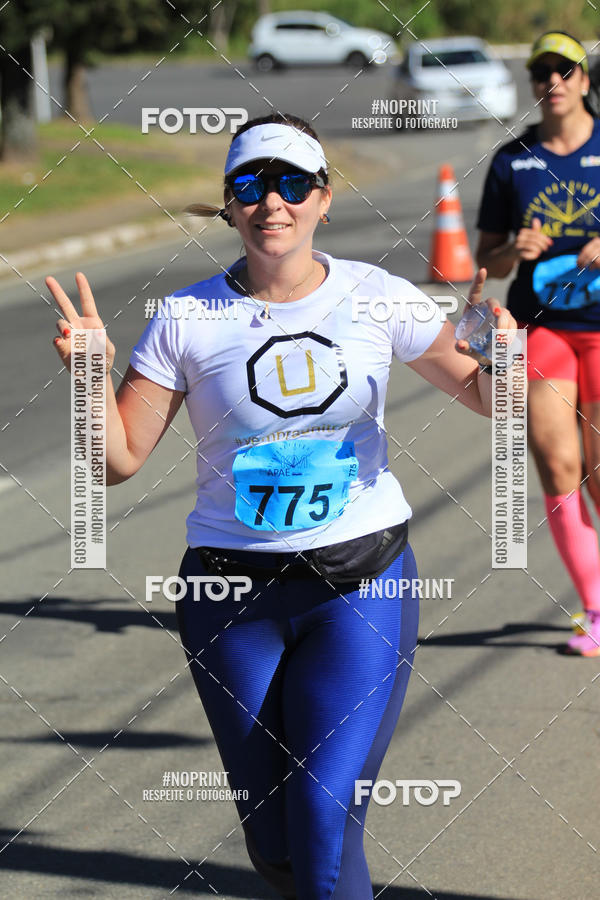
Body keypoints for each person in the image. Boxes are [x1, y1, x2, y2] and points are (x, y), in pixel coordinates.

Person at [49, 113, 514, 899]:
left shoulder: (378, 298)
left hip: (360, 587)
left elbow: (486, 399)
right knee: (274, 843)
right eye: (252, 185)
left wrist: (498, 352)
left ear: (324, 199)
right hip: (230, 602)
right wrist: (90, 376)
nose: (274, 202)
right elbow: (116, 463)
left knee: (325, 827)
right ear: (228, 205)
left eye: (293, 183)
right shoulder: (186, 319)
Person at [476, 32, 600, 657]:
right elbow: (484, 261)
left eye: (563, 70)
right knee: (557, 463)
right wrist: (509, 252)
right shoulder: (511, 162)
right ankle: (598, 609)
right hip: (541, 328)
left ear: (583, 79)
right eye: (541, 72)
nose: (552, 81)